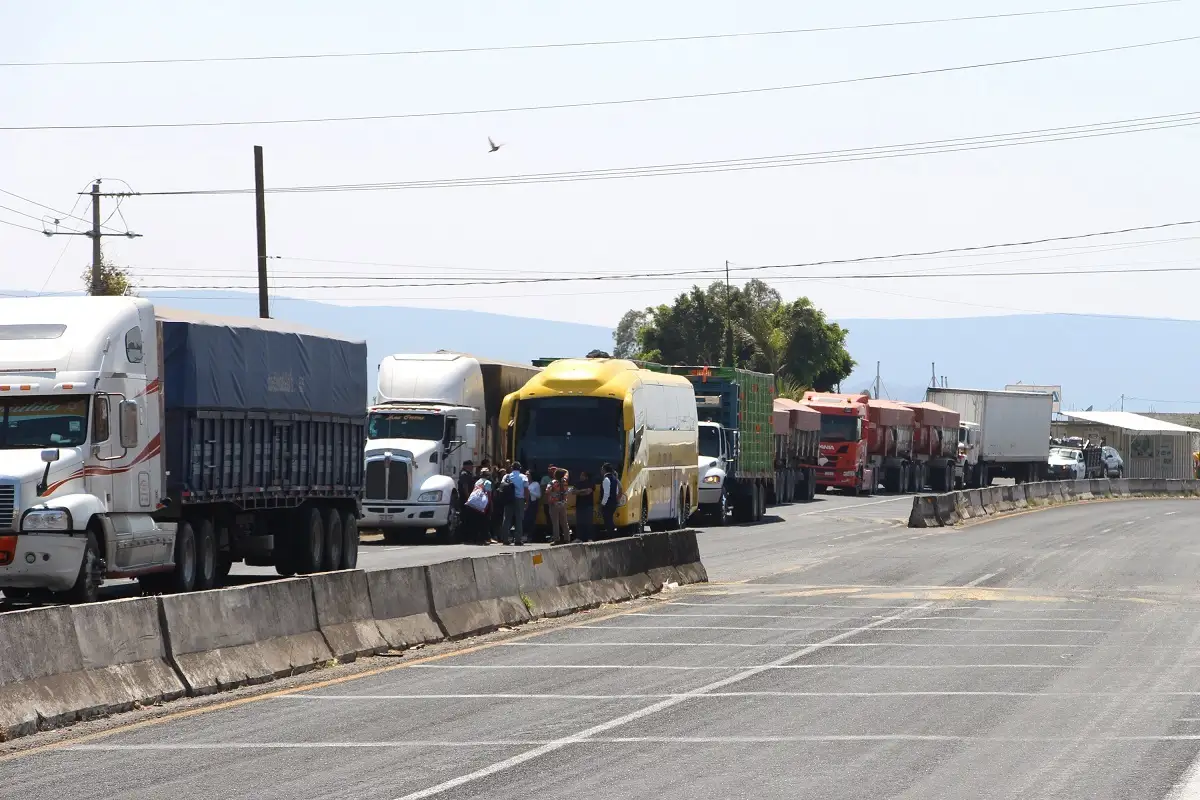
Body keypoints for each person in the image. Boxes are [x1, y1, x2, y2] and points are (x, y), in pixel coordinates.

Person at [502, 461, 529, 546]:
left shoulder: (506, 476)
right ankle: (518, 540)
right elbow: (526, 490)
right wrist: (527, 501)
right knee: (519, 519)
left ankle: (505, 539)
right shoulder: (523, 477)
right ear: (520, 468)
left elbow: (502, 486)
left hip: (508, 499)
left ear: (511, 468)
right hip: (519, 499)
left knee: (507, 519)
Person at [547, 468, 571, 545]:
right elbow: (567, 471)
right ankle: (567, 539)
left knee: (555, 522)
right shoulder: (564, 482)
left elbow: (547, 490)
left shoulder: (553, 482)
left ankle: (557, 539)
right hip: (563, 504)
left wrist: (552, 495)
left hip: (554, 504)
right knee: (564, 522)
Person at [463, 477, 491, 543]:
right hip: (480, 505)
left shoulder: (478, 482)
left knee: (472, 522)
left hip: (472, 503)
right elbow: (489, 495)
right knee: (481, 523)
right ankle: (481, 539)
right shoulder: (488, 483)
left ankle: (471, 539)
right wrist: (489, 507)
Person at [573, 470, 596, 542]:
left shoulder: (591, 483)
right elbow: (574, 492)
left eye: (582, 475)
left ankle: (589, 538)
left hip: (588, 505)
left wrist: (579, 492)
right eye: (580, 475)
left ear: (586, 477)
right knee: (579, 522)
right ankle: (579, 538)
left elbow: (588, 492)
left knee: (588, 522)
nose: (580, 476)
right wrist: (583, 491)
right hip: (579, 505)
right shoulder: (577, 483)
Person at [600, 463, 621, 536]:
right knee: (610, 519)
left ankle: (610, 535)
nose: (601, 471)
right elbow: (617, 491)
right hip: (613, 503)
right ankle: (611, 534)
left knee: (607, 520)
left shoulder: (606, 479)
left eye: (602, 469)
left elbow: (606, 494)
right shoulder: (615, 479)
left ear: (604, 470)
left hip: (607, 504)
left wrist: (603, 503)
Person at [524, 470, 543, 537]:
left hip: (533, 503)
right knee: (524, 519)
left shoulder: (536, 484)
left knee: (531, 520)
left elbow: (538, 495)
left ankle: (530, 536)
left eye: (528, 474)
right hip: (525, 503)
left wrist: (529, 492)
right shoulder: (524, 483)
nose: (526, 475)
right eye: (525, 474)